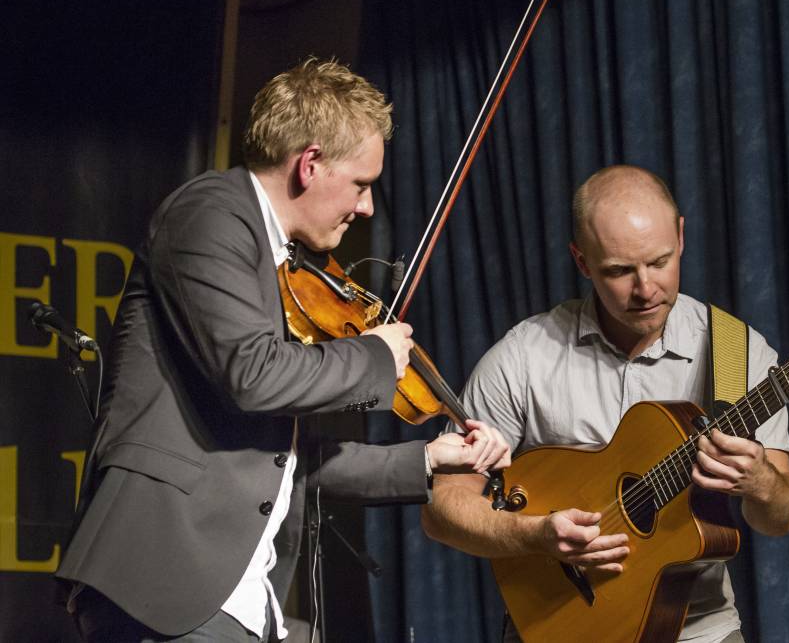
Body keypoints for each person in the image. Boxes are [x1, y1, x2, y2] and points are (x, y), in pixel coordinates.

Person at [55, 58, 511, 642]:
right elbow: (253, 375)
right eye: (361, 184)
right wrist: (374, 354)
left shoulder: (283, 264)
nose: (367, 207)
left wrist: (427, 459)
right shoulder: (210, 214)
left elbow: (289, 459)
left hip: (239, 597)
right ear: (310, 164)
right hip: (165, 576)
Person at [421, 165, 789, 643]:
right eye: (619, 271)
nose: (645, 289)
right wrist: (535, 534)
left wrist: (762, 482)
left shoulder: (737, 353)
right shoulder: (523, 356)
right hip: (561, 624)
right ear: (582, 261)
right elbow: (441, 507)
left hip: (696, 628)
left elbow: (779, 519)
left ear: (681, 236)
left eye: (660, 262)